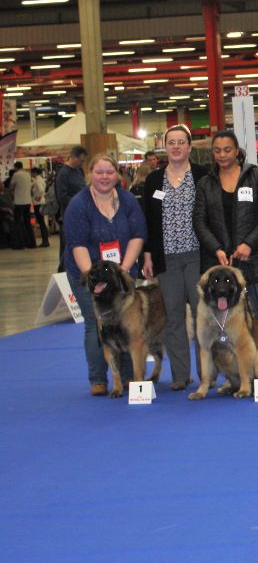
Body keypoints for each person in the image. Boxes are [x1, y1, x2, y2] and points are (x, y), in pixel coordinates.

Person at [193, 130, 258, 375]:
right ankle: (240, 375)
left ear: (237, 150)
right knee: (229, 324)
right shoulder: (206, 183)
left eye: (227, 149)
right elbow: (199, 221)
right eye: (217, 150)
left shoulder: (256, 176)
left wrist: (249, 243)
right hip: (221, 265)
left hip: (255, 257)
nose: (222, 155)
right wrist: (216, 249)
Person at [63, 154, 147, 396]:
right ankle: (98, 379)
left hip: (120, 272)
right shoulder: (79, 204)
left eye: (109, 172)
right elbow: (76, 244)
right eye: (99, 172)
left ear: (117, 175)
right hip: (87, 271)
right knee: (96, 324)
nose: (104, 177)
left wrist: (122, 270)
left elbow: (137, 235)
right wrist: (92, 278)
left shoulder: (127, 199)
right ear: (90, 174)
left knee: (128, 324)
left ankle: (130, 378)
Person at [141, 124, 207, 391]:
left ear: (190, 147)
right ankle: (180, 376)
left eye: (182, 142)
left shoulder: (203, 176)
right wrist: (147, 255)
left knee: (202, 317)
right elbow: (148, 220)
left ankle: (208, 374)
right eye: (172, 142)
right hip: (166, 258)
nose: (177, 146)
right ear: (165, 147)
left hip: (197, 256)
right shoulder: (154, 181)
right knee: (173, 318)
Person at [56, 145, 88, 271]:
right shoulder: (63, 174)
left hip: (82, 215)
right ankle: (63, 272)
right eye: (81, 160)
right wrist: (78, 202)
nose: (82, 163)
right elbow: (62, 197)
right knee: (67, 246)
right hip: (69, 216)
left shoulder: (79, 170)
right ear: (73, 157)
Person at [9, 162, 34, 250]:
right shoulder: (28, 174)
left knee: (18, 223)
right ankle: (31, 243)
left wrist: (12, 191)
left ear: (16, 167)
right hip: (27, 201)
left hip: (19, 202)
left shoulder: (16, 175)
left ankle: (19, 244)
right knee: (28, 223)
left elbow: (11, 187)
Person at [30, 167, 50, 248]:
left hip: (38, 203)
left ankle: (45, 241)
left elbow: (41, 190)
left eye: (32, 172)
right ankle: (45, 240)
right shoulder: (41, 179)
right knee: (42, 222)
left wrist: (39, 196)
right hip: (41, 202)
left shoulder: (37, 180)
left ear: (35, 173)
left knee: (41, 222)